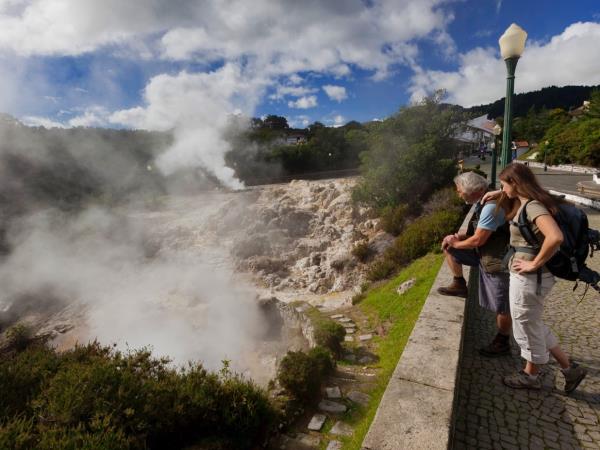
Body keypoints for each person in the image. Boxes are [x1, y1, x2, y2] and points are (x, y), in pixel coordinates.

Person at [486, 163, 587, 392]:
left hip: (531, 279)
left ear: (516, 183)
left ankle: (531, 375)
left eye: (504, 184)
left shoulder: (532, 207)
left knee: (525, 325)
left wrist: (535, 263)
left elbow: (555, 237)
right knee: (533, 323)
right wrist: (500, 192)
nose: (502, 188)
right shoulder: (525, 201)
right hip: (530, 278)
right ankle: (570, 368)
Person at [438, 172, 512, 356]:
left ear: (477, 190)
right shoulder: (483, 203)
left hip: (496, 261)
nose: (459, 194)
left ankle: (503, 341)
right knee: (450, 247)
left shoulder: (490, 207)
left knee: (501, 305)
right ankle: (459, 284)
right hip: (485, 255)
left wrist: (456, 243)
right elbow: (474, 234)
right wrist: (455, 238)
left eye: (460, 191)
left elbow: (478, 240)